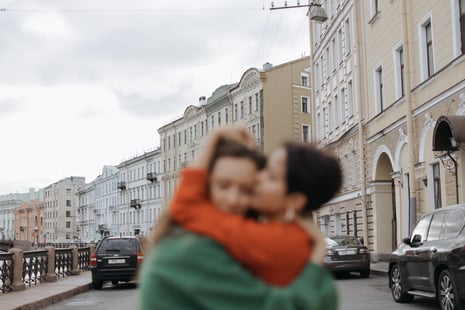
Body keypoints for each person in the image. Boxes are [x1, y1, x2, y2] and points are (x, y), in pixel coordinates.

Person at [138, 128, 340, 310]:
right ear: (206, 187)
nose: (234, 199)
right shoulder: (193, 250)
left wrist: (213, 141)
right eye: (223, 185)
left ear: (294, 200)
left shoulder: (260, 239)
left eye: (247, 188)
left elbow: (187, 207)